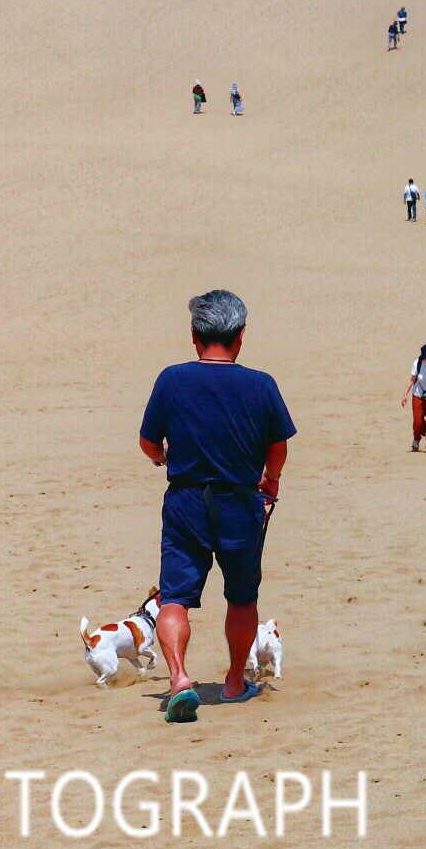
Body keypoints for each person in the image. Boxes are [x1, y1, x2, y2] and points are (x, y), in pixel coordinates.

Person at [138, 289, 295, 718]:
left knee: (174, 598)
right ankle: (231, 683)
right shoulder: (261, 384)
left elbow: (149, 442)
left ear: (194, 335)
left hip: (186, 501)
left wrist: (164, 458)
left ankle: (179, 679)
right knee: (242, 598)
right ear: (240, 335)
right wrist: (271, 479)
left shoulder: (171, 378)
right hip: (240, 503)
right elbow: (278, 448)